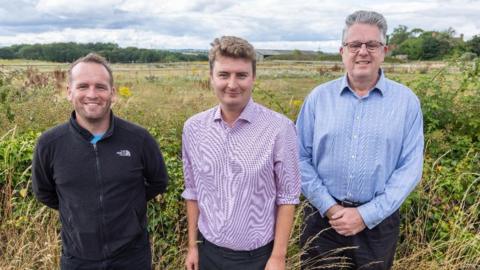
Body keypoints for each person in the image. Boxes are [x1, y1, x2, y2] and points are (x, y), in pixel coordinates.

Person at [296, 10, 424, 270]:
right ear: (342, 50)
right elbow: (298, 157)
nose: (363, 51)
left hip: (378, 225)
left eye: (372, 44)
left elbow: (410, 169)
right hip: (322, 221)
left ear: (384, 50)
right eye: (354, 44)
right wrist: (330, 207)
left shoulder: (406, 102)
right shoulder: (318, 98)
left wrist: (366, 215)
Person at [32, 53, 168, 270]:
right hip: (78, 259)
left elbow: (158, 182)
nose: (92, 94)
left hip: (132, 259)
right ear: (69, 92)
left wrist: (129, 208)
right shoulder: (50, 144)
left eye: (101, 87)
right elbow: (45, 192)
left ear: (112, 93)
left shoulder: (139, 139)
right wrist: (79, 214)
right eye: (83, 86)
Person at [182, 36, 301, 270]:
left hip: (257, 258)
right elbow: (193, 191)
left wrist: (278, 257)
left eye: (241, 75)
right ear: (211, 78)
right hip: (208, 253)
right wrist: (193, 247)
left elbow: (287, 197)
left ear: (253, 78)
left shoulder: (280, 128)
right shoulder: (193, 128)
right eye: (224, 75)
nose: (232, 84)